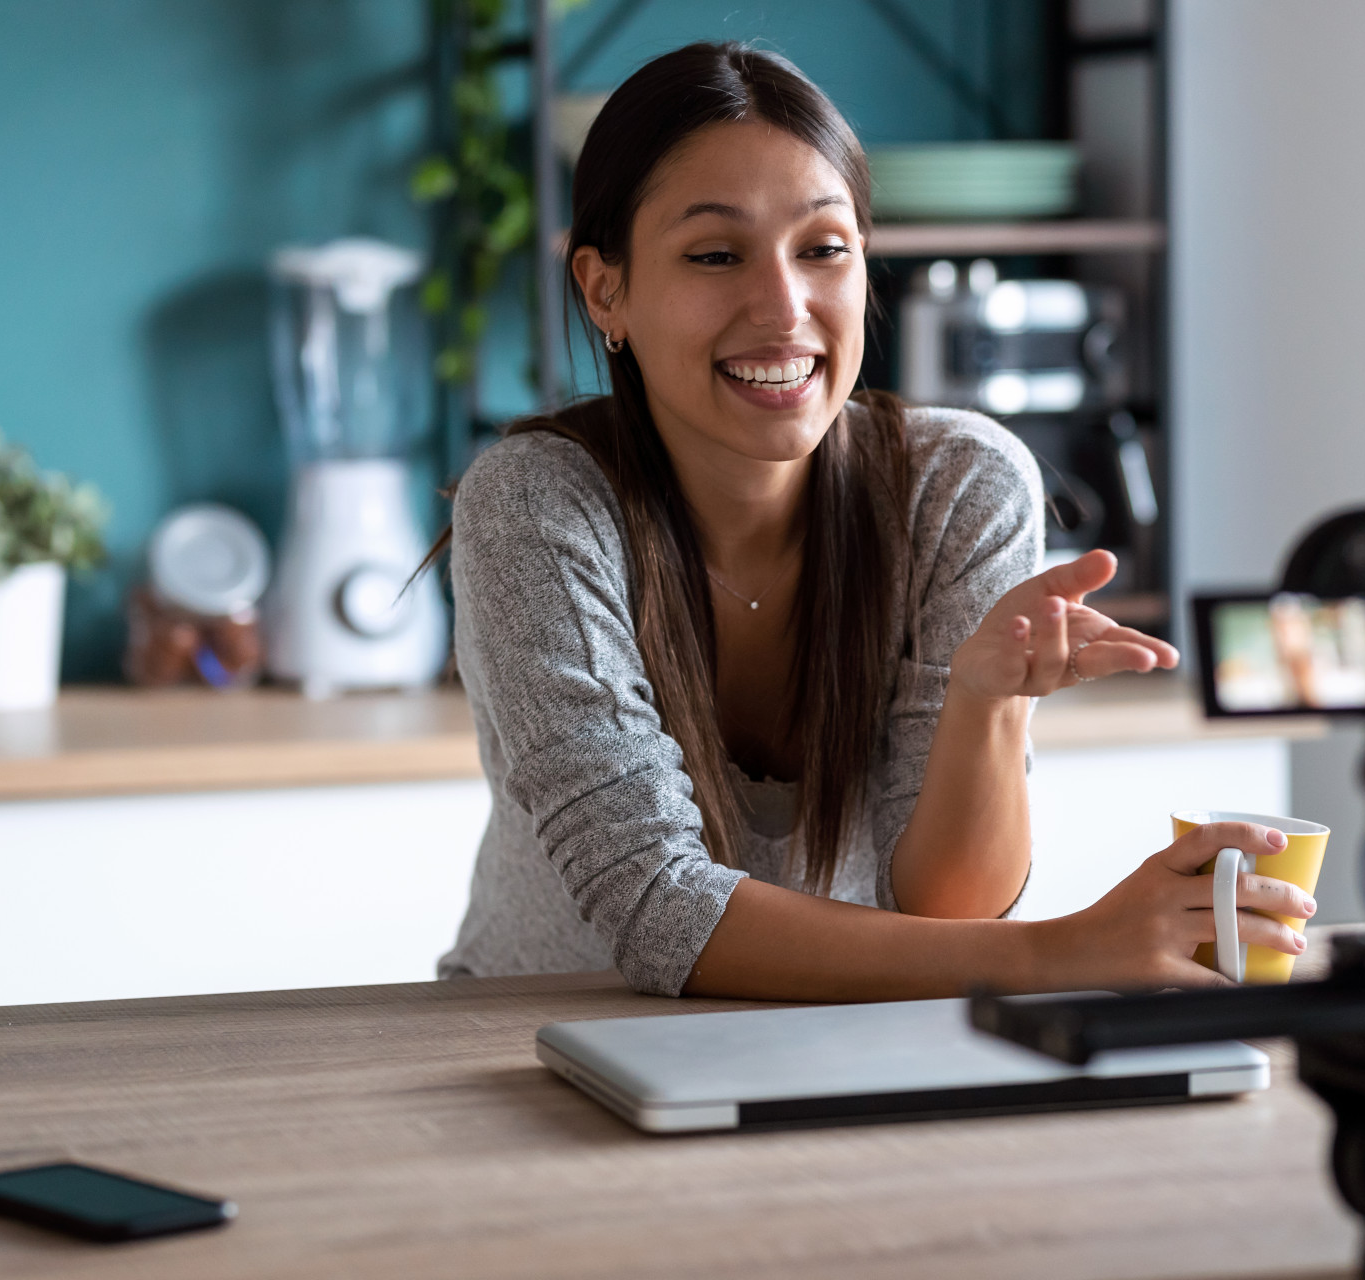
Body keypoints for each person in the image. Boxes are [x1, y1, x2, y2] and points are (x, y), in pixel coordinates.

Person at [436, 42, 1316, 1000]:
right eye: (715, 254)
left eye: (823, 249)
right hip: (529, 1044)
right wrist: (1066, 952)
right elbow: (660, 911)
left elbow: (949, 914)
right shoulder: (536, 504)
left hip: (841, 1040)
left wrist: (983, 701)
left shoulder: (962, 486)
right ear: (606, 288)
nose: (784, 308)